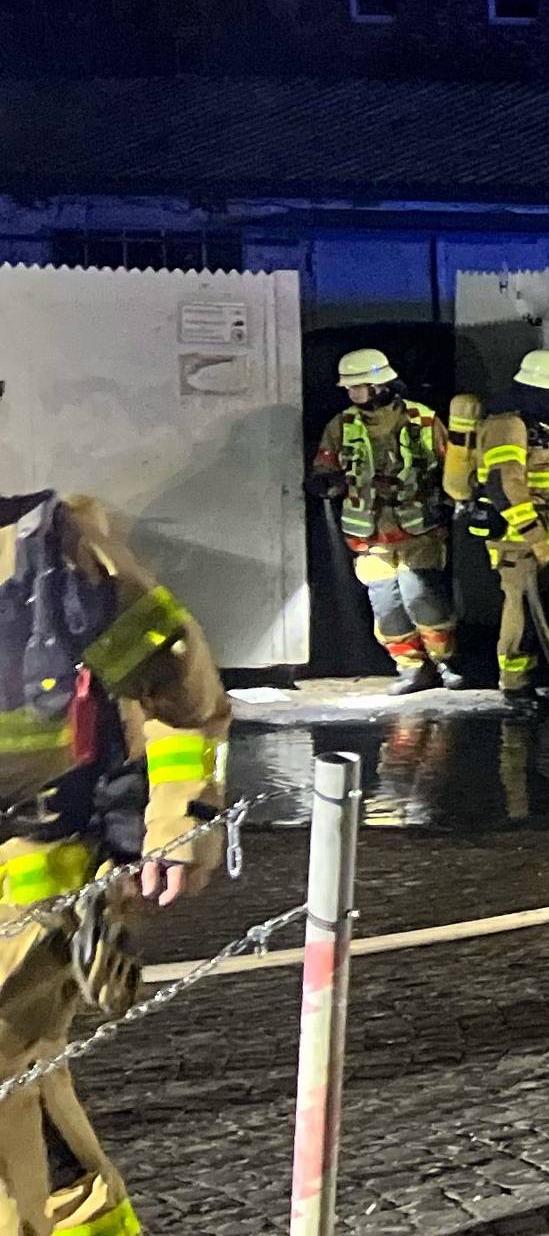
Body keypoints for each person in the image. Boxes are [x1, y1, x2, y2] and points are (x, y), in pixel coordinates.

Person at [0, 491, 227, 1236]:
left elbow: (178, 690)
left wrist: (180, 814)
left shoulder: (53, 555)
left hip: (39, 869)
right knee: (28, 1084)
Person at [308, 349, 462, 694]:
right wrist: (325, 481)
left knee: (422, 598)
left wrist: (453, 502)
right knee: (387, 606)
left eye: (357, 386)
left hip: (418, 529)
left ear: (379, 385)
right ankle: (411, 668)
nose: (351, 393)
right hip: (369, 535)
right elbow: (326, 466)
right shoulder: (342, 425)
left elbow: (451, 467)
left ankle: (444, 662)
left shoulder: (422, 419)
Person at [467, 351, 549, 701]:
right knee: (526, 606)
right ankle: (516, 684)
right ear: (542, 391)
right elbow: (504, 486)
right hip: (518, 538)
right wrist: (535, 536)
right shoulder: (506, 426)